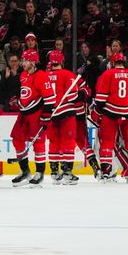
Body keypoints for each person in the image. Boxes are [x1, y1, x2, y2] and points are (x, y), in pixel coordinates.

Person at [93, 52, 128, 183]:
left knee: (107, 142)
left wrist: (98, 111)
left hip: (111, 114)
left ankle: (106, 173)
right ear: (125, 62)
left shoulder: (107, 74)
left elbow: (100, 99)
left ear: (112, 63)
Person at [11, 49, 55, 187]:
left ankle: (40, 173)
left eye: (25, 60)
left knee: (38, 143)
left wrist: (46, 117)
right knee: (17, 140)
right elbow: (26, 95)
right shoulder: (23, 75)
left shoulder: (42, 76)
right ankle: (25, 171)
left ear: (34, 62)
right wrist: (18, 102)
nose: (23, 63)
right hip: (24, 115)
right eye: (22, 60)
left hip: (36, 114)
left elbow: (50, 98)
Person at [45, 50, 83, 185]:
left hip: (50, 114)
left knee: (54, 142)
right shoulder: (68, 74)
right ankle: (67, 173)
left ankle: (54, 173)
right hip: (66, 112)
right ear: (62, 61)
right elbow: (73, 96)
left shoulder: (44, 76)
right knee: (68, 141)